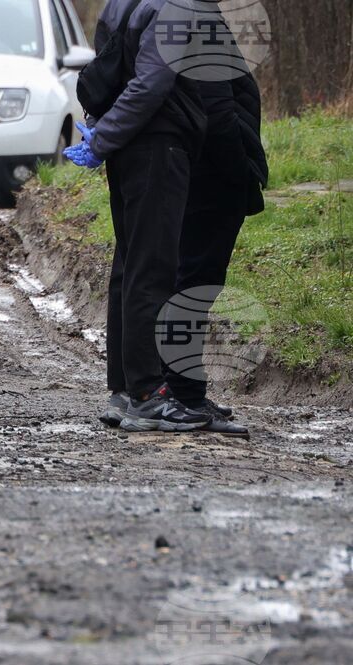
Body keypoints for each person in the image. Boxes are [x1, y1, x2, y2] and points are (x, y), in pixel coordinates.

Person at [65, 0, 211, 432]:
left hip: (128, 151)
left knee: (129, 268)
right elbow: (150, 84)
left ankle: (125, 391)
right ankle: (148, 394)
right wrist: (103, 139)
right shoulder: (172, 8)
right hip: (157, 147)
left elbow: (108, 73)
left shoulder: (121, 4)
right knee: (151, 270)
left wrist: (103, 136)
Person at [162, 35, 269, 438]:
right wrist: (238, 169)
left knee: (190, 282)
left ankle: (179, 391)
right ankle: (183, 395)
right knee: (194, 285)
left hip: (196, 172)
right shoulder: (197, 17)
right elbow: (216, 108)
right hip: (211, 177)